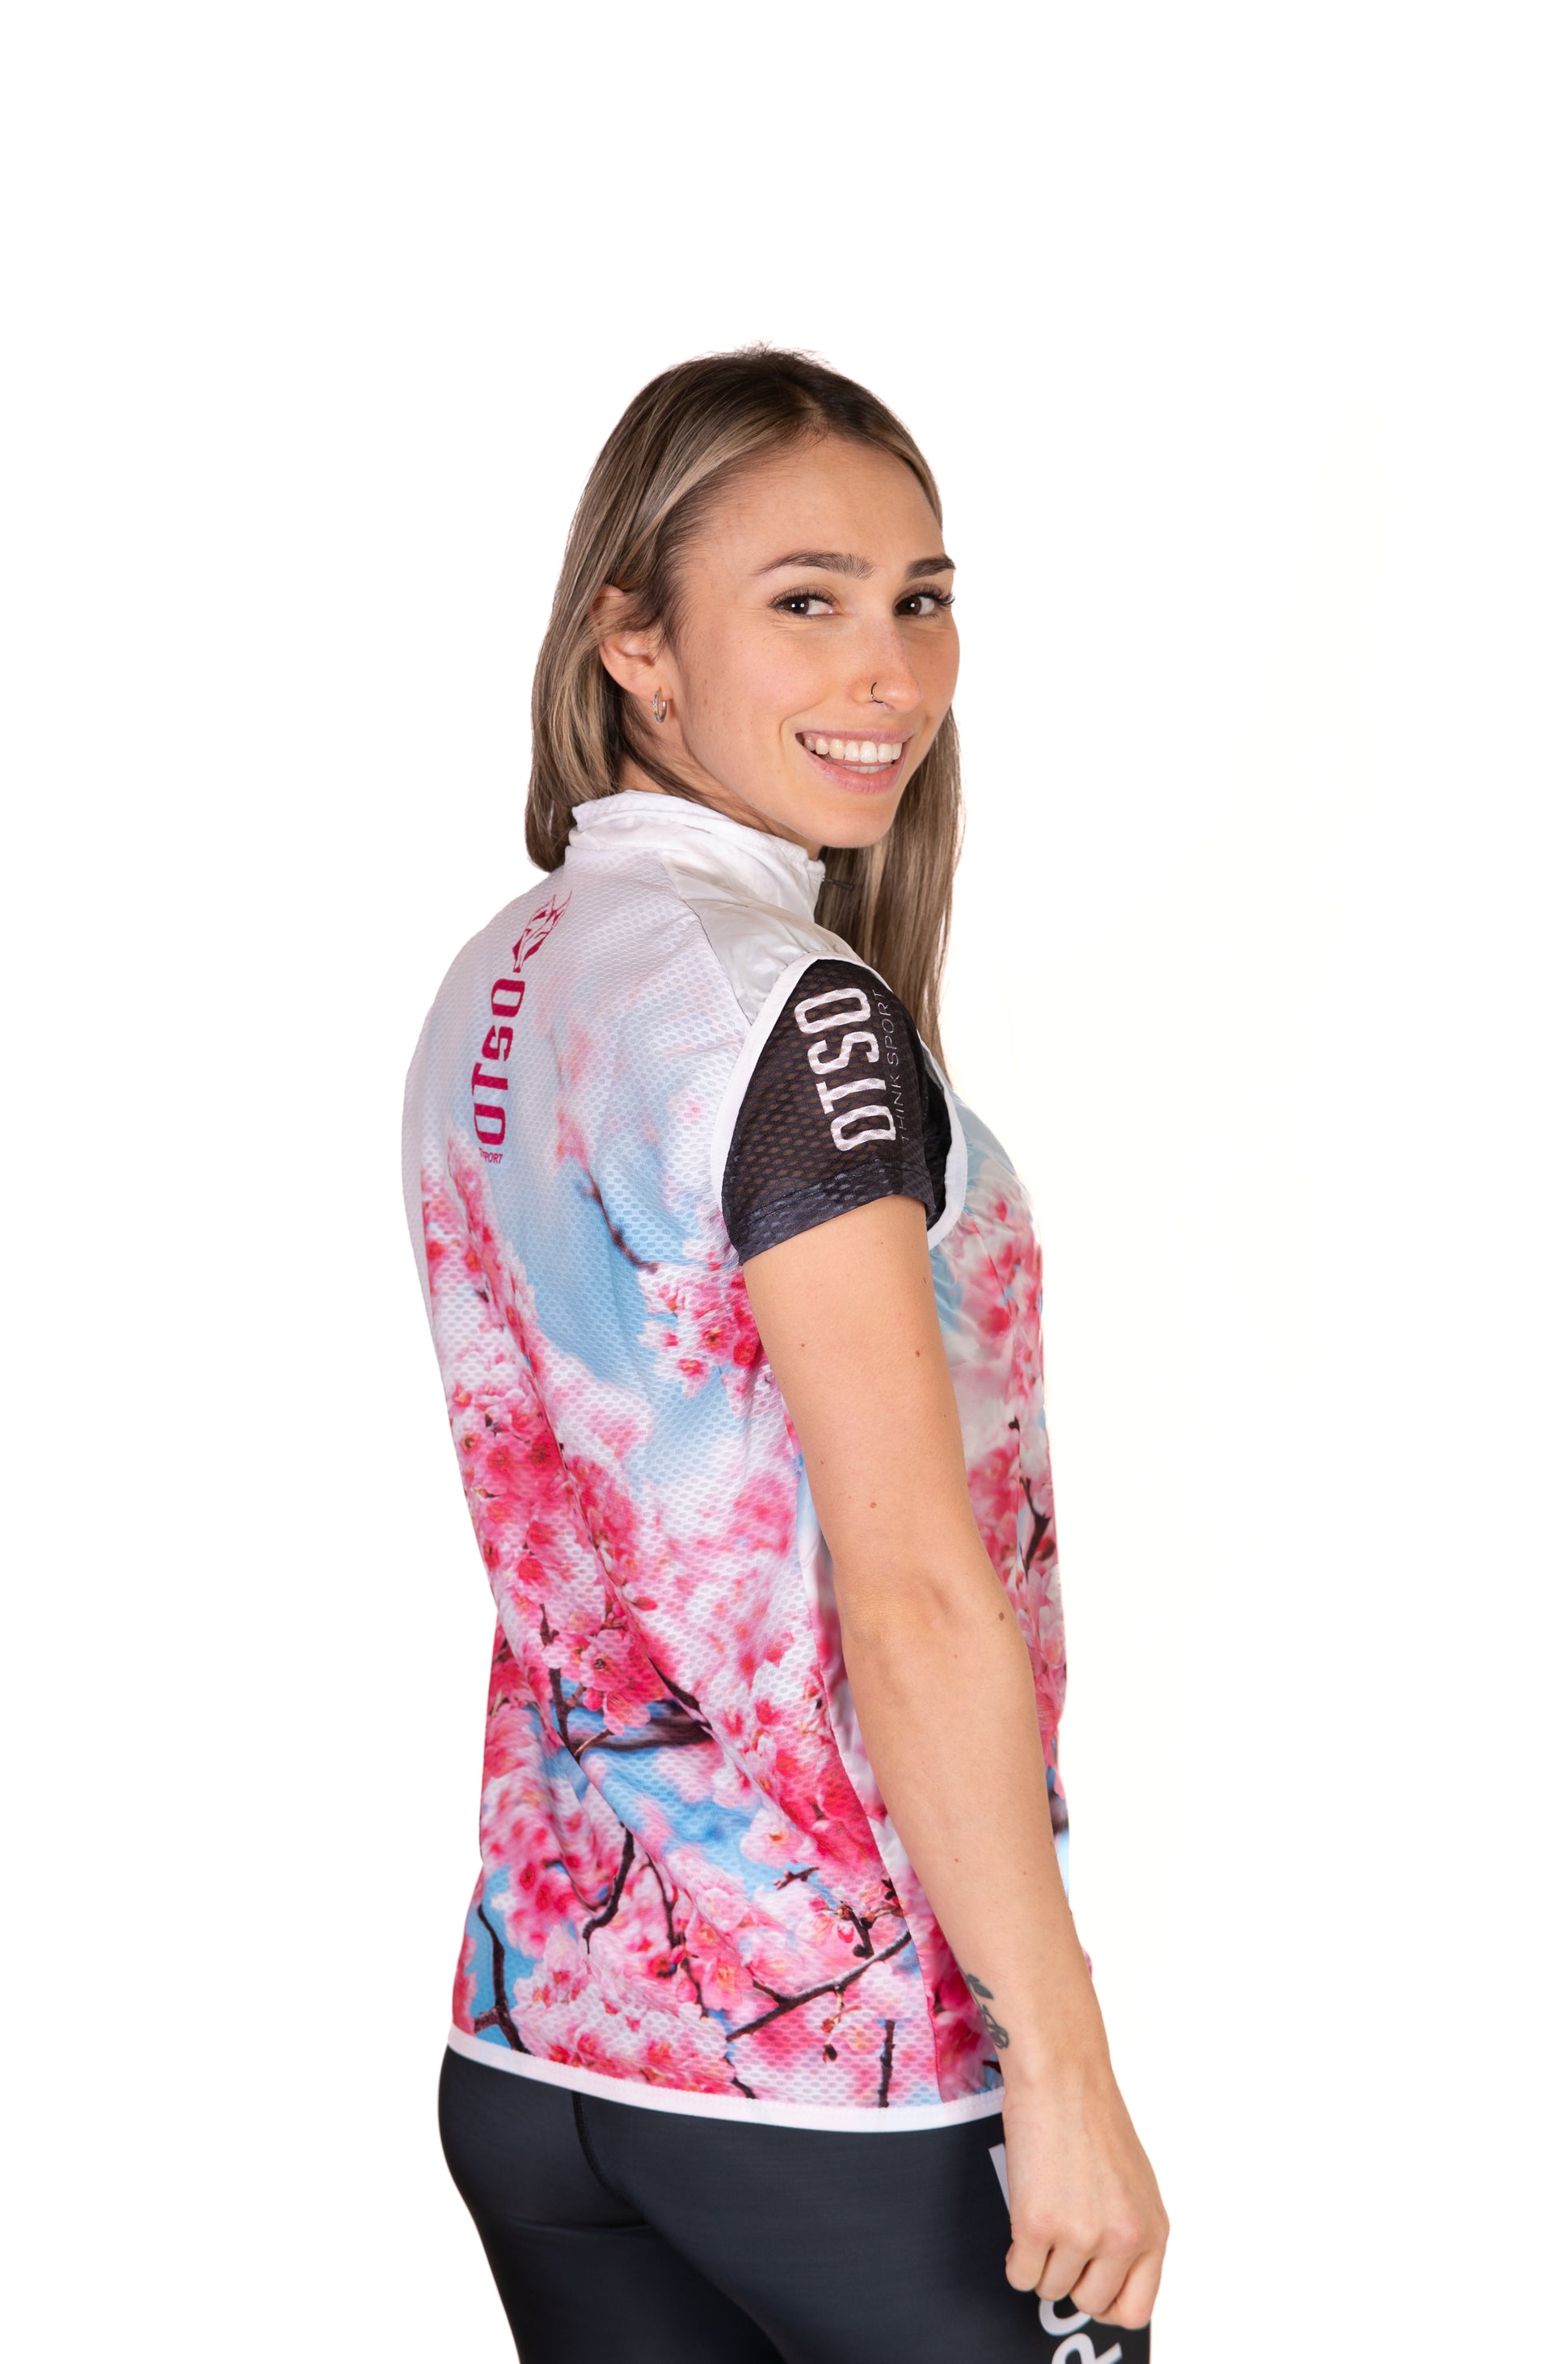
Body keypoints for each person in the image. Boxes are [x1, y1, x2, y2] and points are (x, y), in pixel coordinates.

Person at [402, 348, 1168, 2361]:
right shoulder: (791, 1011)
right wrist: (1062, 2064)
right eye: (805, 600)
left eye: (921, 598)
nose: (887, 672)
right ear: (634, 645)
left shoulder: (506, 973)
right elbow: (910, 1588)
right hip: (836, 2072)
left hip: (546, 2035)